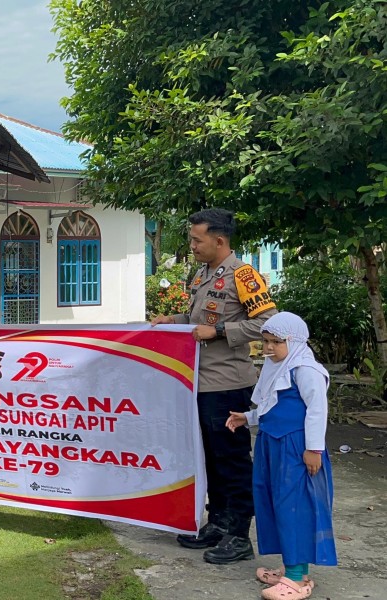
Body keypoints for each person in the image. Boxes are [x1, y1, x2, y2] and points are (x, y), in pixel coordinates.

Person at [152, 208, 277, 564]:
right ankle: (218, 522)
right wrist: (171, 321)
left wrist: (221, 331)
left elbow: (270, 324)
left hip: (228, 384)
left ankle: (239, 534)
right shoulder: (203, 274)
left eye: (196, 239)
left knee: (232, 460)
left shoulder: (244, 275)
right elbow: (197, 321)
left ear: (219, 240)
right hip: (199, 382)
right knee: (209, 458)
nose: (191, 245)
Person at [226, 313, 336, 600]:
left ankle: (298, 579)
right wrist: (247, 417)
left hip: (295, 448)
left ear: (295, 341)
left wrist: (314, 450)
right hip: (271, 445)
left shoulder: (305, 370)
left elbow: (316, 411)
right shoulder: (276, 368)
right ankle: (290, 567)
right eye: (265, 341)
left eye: (277, 342)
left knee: (294, 506)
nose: (269, 348)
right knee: (273, 502)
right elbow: (269, 404)